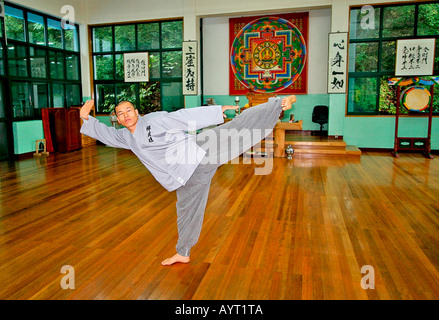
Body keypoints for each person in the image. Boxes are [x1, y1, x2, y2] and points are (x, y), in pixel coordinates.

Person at [79, 95, 296, 266]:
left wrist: (217, 111)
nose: (125, 115)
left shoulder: (154, 120)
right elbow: (106, 134)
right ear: (117, 119)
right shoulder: (125, 137)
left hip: (198, 151)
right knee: (186, 211)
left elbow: (182, 117)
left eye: (128, 111)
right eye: (120, 114)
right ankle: (183, 252)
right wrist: (86, 119)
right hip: (185, 177)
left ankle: (277, 105)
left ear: (137, 112)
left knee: (231, 130)